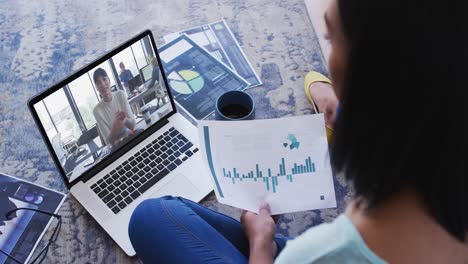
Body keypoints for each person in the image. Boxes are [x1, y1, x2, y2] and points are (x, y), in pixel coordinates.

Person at [127, 0, 468, 263]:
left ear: (370, 74)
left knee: (149, 218)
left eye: (331, 39)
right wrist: (331, 97)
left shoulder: (320, 252)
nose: (328, 57)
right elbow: (314, 80)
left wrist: (262, 246)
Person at [92, 68, 136, 146]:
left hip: (131, 138)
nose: (102, 84)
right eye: (98, 83)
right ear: (96, 88)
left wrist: (125, 120)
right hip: (117, 147)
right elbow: (109, 142)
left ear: (109, 80)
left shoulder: (121, 94)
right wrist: (115, 128)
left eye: (104, 79)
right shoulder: (97, 111)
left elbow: (132, 126)